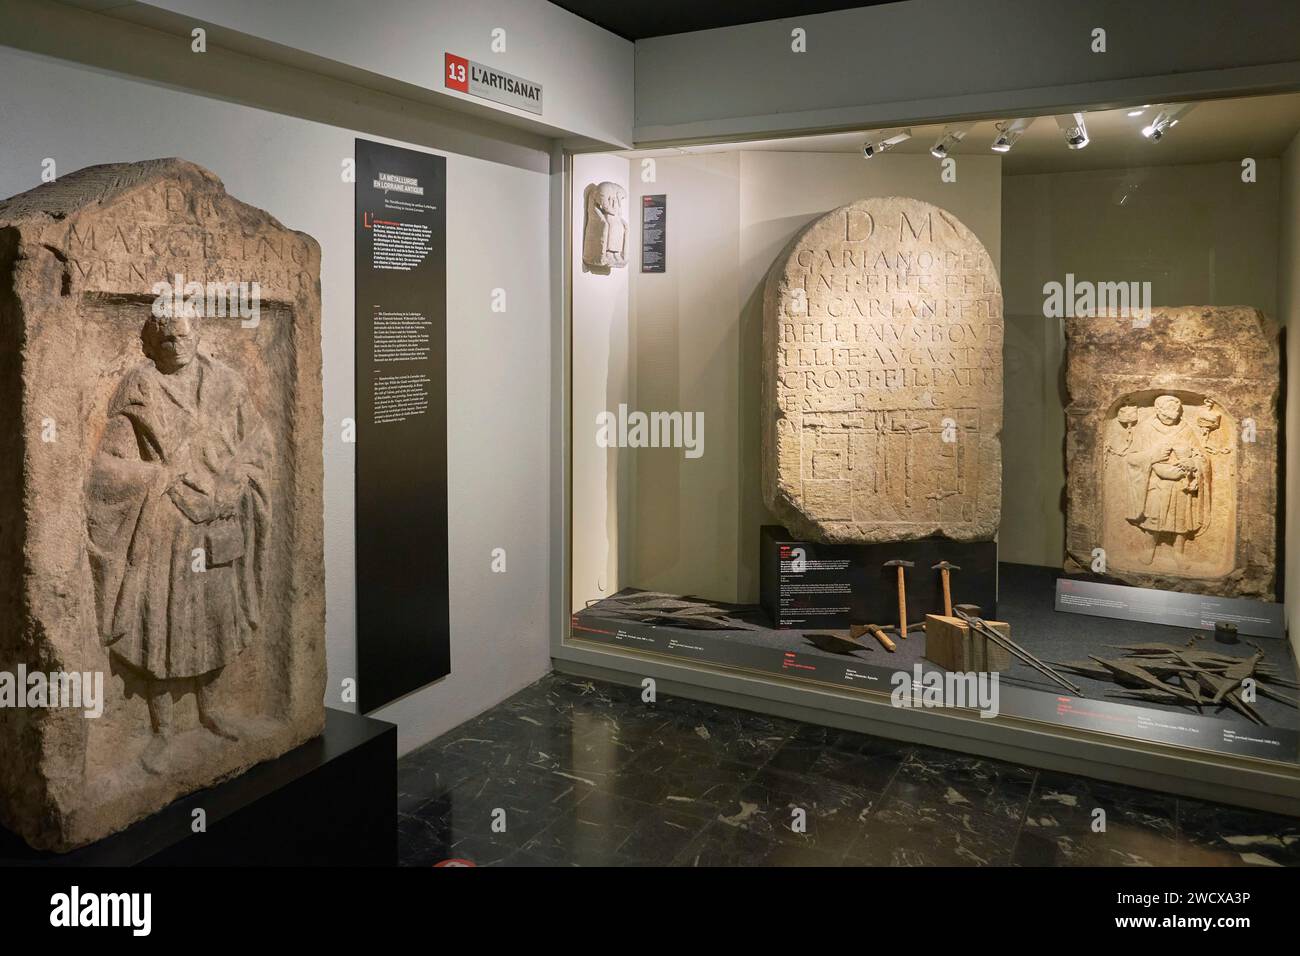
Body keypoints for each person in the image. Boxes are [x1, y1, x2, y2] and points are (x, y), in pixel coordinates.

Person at [86, 308, 271, 773]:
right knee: (163, 625)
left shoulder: (227, 384)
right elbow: (105, 466)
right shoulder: (140, 389)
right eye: (164, 340)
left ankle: (212, 710)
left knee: (215, 619)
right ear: (151, 343)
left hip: (218, 520)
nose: (175, 345)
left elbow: (259, 444)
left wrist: (236, 483)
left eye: (182, 336)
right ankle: (163, 731)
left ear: (198, 334)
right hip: (166, 527)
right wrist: (159, 477)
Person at [1122, 395, 1207, 565]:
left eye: (1176, 411)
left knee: (1181, 519)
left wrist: (1192, 463)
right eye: (1169, 411)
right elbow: (1131, 458)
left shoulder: (1185, 429)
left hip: (1180, 482)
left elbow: (1201, 456)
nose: (1173, 415)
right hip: (1155, 482)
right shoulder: (1146, 429)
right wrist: (1153, 455)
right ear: (1158, 410)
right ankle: (1149, 549)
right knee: (1154, 516)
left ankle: (1179, 553)